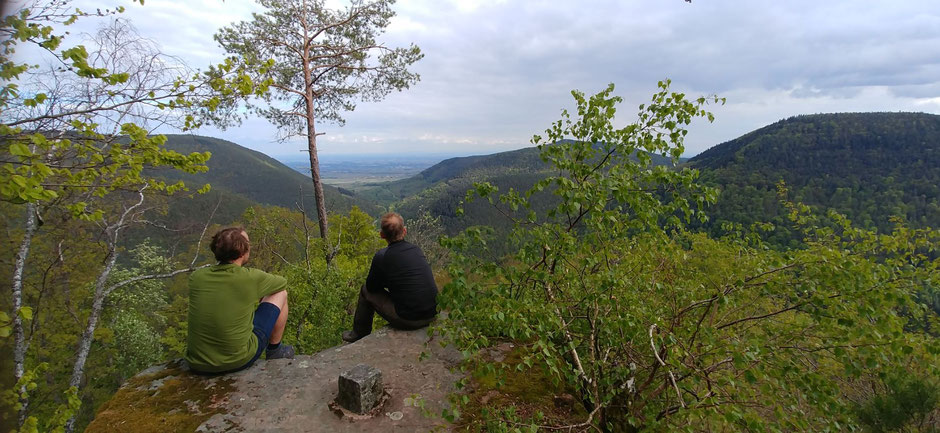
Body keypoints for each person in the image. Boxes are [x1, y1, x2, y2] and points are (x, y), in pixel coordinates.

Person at [186, 227, 294, 374]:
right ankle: (275, 351)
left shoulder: (197, 277)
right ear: (243, 251)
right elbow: (281, 282)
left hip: (197, 363)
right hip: (237, 360)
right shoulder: (249, 278)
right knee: (280, 293)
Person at [342, 212, 438, 343]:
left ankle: (359, 334)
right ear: (404, 231)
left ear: (382, 235)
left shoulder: (382, 256)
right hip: (433, 313)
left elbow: (371, 288)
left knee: (365, 291)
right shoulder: (416, 250)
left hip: (410, 320)